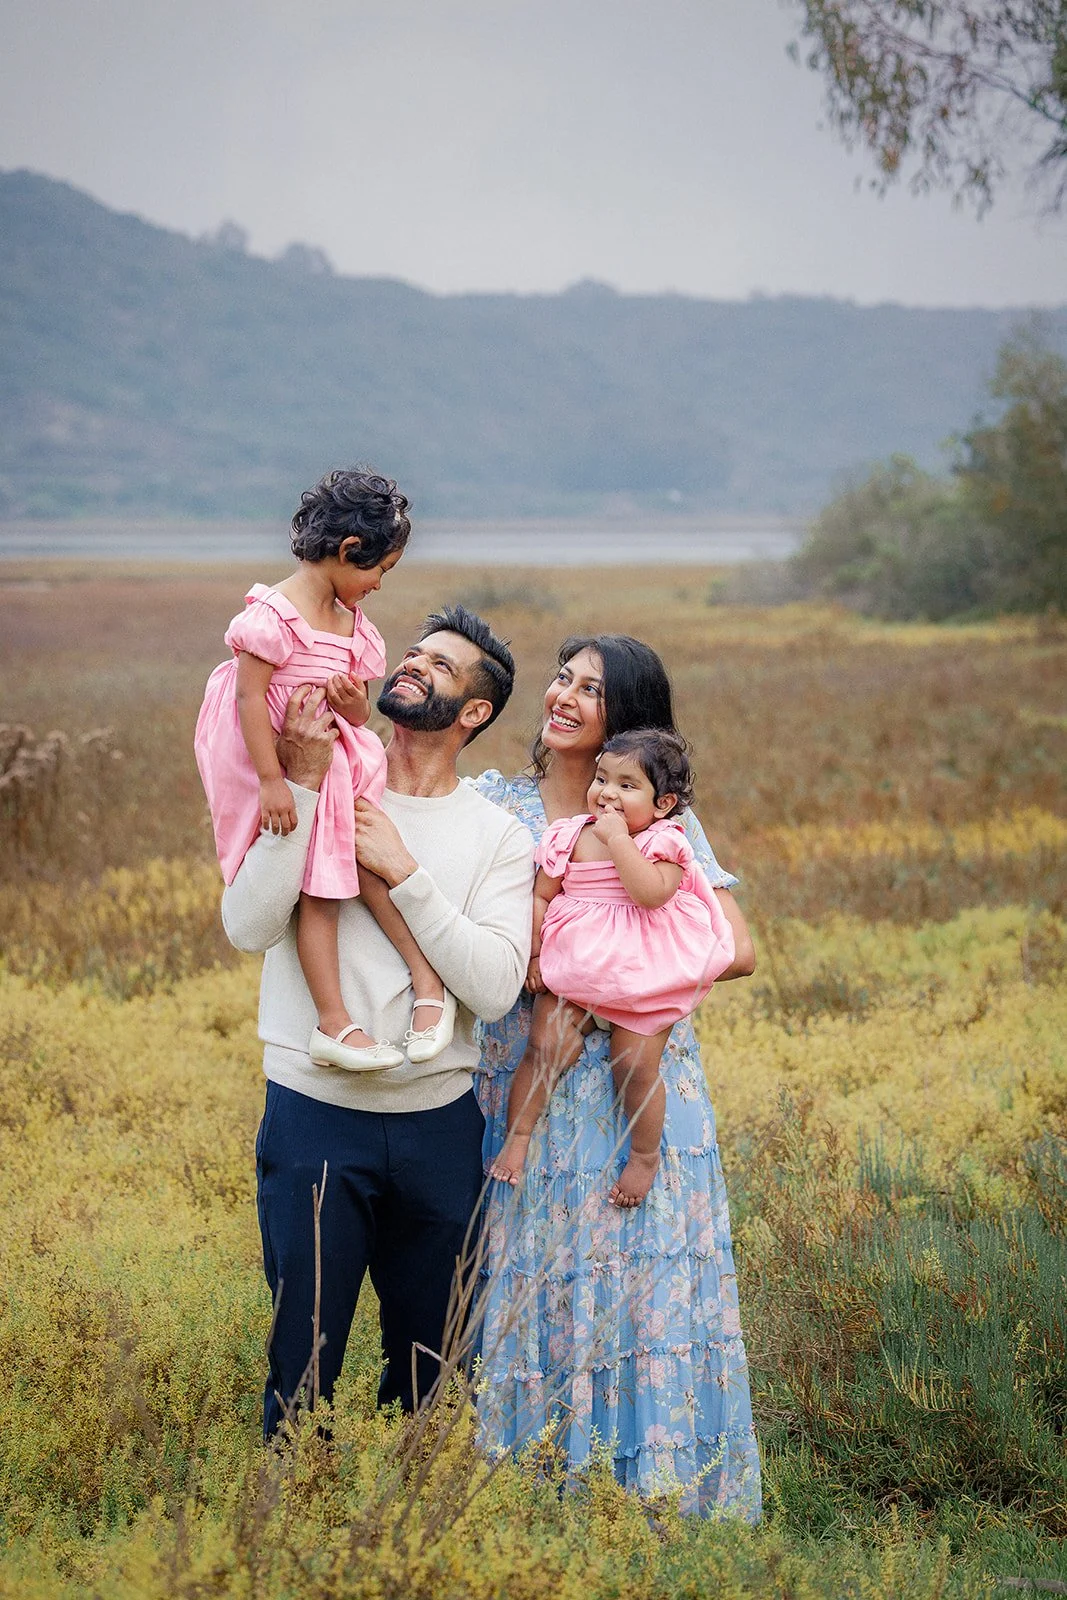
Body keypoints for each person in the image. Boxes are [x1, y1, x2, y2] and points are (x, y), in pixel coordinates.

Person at [220, 604, 534, 1436]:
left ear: (475, 713)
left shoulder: (498, 836)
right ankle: (287, 1526)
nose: (414, 666)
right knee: (302, 1356)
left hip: (437, 1127)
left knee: (433, 1367)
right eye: (414, 653)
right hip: (313, 1114)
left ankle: (412, 1536)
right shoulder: (313, 770)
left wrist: (405, 869)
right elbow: (247, 927)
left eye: (441, 666)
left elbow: (496, 987)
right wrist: (298, 783)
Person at [474, 634, 762, 1519]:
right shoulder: (495, 806)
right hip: (529, 1074)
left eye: (589, 689)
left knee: (640, 1280)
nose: (561, 696)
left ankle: (657, 1492)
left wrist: (624, 989)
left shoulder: (663, 829)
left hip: (637, 1070)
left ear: (625, 721)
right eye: (561, 678)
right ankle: (536, 1492)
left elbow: (738, 948)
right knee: (536, 1274)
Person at [195, 468, 454, 1073]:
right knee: (322, 893)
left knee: (360, 871)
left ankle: (423, 985)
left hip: (340, 766)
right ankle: (335, 1022)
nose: (379, 586)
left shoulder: (350, 625)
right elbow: (248, 700)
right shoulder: (273, 617)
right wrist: (271, 781)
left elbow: (363, 711)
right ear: (346, 551)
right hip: (288, 769)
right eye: (378, 570)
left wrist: (350, 704)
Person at [490, 728, 736, 1206]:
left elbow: (651, 893)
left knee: (635, 1066)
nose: (606, 793)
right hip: (574, 973)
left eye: (627, 785)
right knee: (543, 1048)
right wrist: (537, 953)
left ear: (663, 804)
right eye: (601, 778)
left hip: (643, 979)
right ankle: (518, 1138)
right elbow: (542, 895)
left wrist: (621, 841)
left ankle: (643, 1157)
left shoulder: (666, 841)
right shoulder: (568, 835)